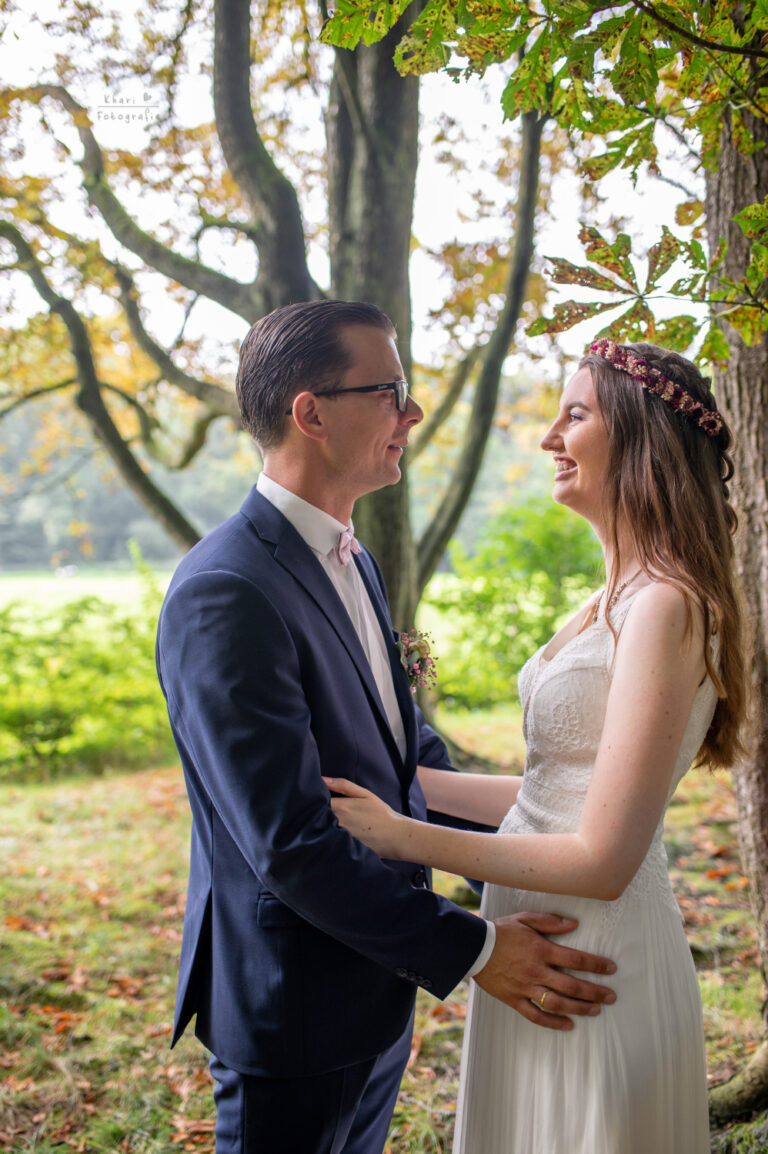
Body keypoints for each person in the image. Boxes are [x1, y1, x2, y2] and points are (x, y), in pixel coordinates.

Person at [155, 300, 618, 1154]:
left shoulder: (351, 555)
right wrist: (476, 950)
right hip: (294, 1004)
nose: (413, 413)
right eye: (391, 390)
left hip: (375, 989)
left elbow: (404, 760)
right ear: (312, 413)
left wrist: (556, 841)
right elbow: (289, 842)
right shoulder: (226, 591)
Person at [327, 339, 747, 1154]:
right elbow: (548, 797)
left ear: (640, 438)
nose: (551, 436)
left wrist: (405, 836)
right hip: (535, 939)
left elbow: (602, 855)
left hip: (597, 956)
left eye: (576, 415)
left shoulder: (664, 605)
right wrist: (407, 782)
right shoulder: (611, 597)